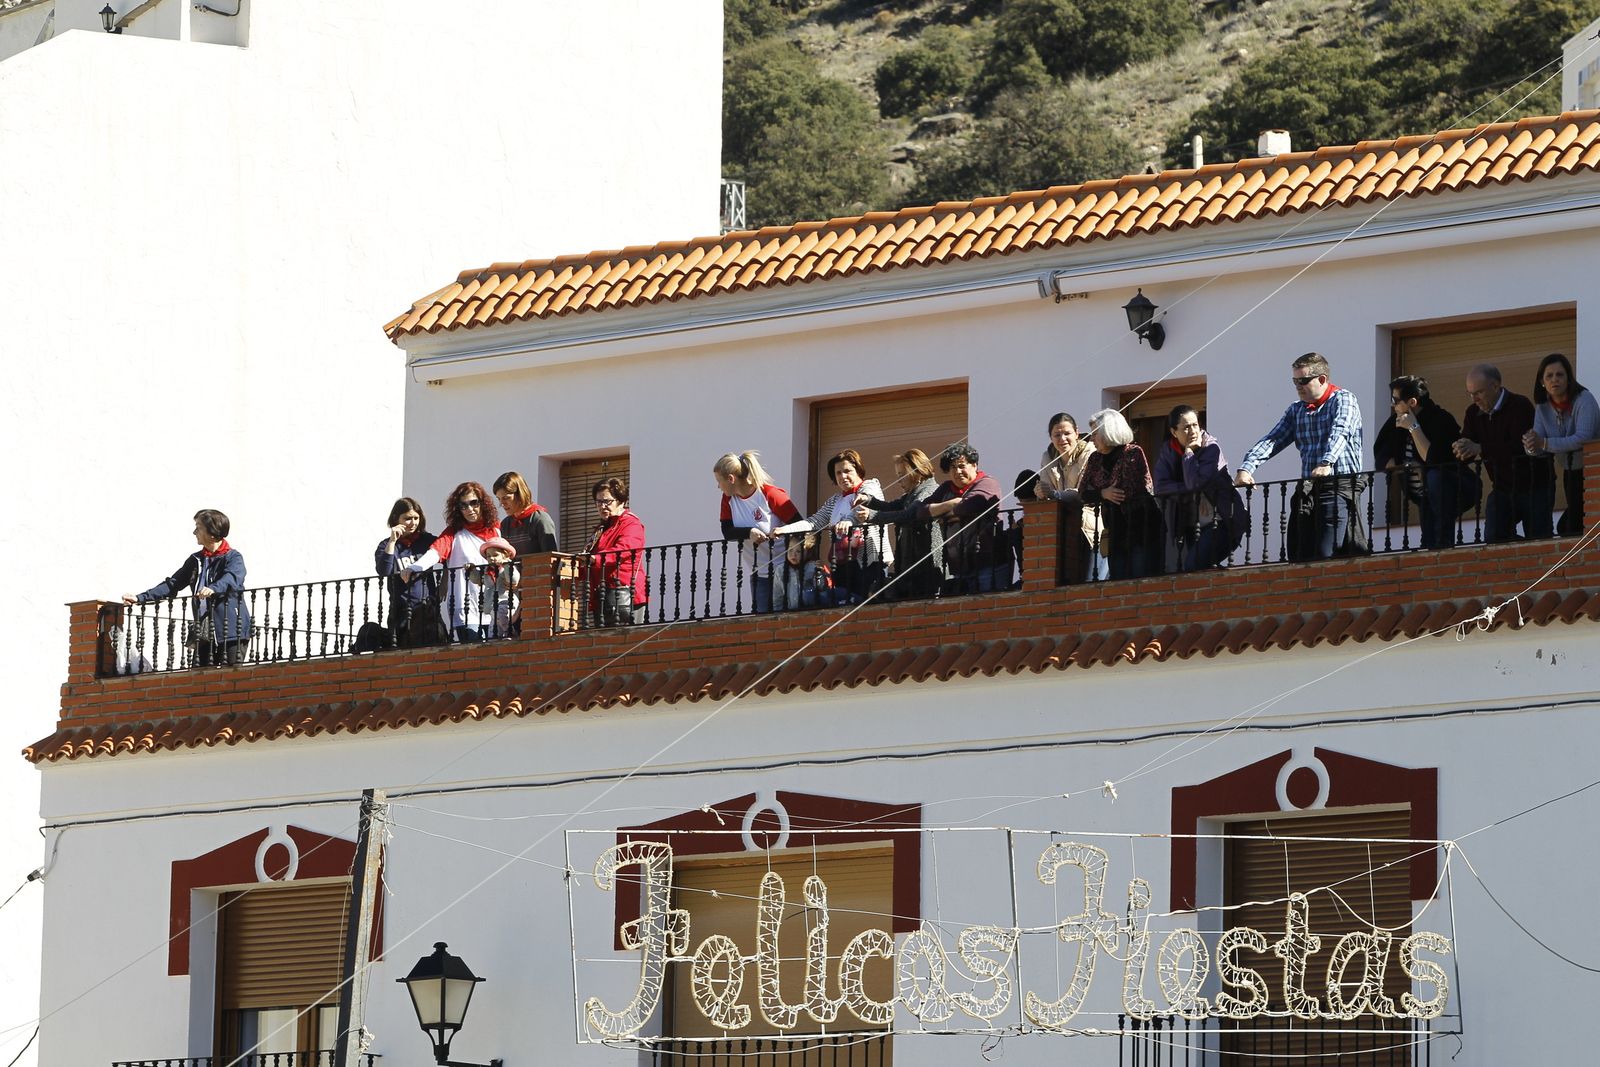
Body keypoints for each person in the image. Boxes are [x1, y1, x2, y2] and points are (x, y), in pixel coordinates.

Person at [1236, 352, 1366, 560]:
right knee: (1300, 553)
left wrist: (1327, 462)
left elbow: (1341, 430)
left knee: (1326, 553)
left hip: (1337, 486)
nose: (1298, 386)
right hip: (1309, 488)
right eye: (1295, 381)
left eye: (1303, 380)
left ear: (1322, 379)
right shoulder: (1297, 410)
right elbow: (1273, 439)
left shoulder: (1344, 399)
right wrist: (1246, 467)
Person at [123, 509, 251, 667]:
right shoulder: (196, 559)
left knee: (232, 681)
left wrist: (213, 588)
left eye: (199, 527)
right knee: (199, 680)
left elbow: (232, 578)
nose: (194, 532)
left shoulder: (233, 557)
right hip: (205, 632)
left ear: (212, 532)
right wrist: (139, 598)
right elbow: (173, 584)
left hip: (232, 631)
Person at [774, 448, 892, 604]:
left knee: (866, 604)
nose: (843, 476)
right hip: (842, 564)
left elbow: (861, 508)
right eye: (838, 473)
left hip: (869, 561)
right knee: (843, 605)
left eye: (847, 471)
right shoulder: (834, 501)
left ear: (858, 470)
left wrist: (849, 522)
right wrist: (785, 529)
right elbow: (814, 521)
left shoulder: (870, 486)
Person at [1453, 363, 1551, 543]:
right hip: (1502, 488)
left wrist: (1481, 448)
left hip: (1534, 485)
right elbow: (1469, 444)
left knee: (1539, 540)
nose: (1474, 399)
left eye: (1479, 393)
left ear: (1496, 386)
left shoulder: (1519, 405)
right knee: (1494, 537)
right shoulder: (1473, 412)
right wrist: (1461, 448)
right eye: (1470, 394)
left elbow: (1519, 446)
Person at [1372, 375, 1468, 549]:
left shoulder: (1441, 420)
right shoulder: (1394, 422)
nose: (1392, 405)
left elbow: (1432, 458)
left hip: (1450, 491)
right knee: (1428, 543)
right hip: (1422, 496)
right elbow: (1381, 456)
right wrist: (1407, 467)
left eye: (1396, 400)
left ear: (1412, 402)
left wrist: (1413, 427)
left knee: (1441, 541)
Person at [403, 481, 502, 641]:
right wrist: (414, 567)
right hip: (465, 608)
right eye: (463, 505)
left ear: (482, 503)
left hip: (494, 606)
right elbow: (436, 552)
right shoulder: (454, 533)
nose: (469, 509)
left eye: (473, 503)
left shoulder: (495, 530)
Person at [1153, 405, 1245, 570]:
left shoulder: (1211, 448)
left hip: (1221, 521)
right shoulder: (1168, 450)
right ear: (1174, 432)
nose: (1193, 431)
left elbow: (1196, 484)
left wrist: (1188, 454)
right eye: (1186, 427)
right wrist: (1191, 494)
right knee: (1200, 572)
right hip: (1191, 523)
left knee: (1193, 566)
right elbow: (1160, 487)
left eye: (1195, 425)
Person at [714, 451, 802, 613]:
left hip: (785, 570)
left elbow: (801, 526)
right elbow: (727, 532)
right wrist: (750, 532)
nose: (718, 486)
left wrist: (782, 533)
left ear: (731, 479)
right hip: (759, 574)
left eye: (719, 481)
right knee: (762, 624)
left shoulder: (770, 494)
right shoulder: (728, 499)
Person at [1080, 409, 1165, 580]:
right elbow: (1083, 493)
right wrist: (1103, 493)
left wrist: (1102, 492)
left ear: (1109, 431)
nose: (1091, 439)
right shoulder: (1095, 458)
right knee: (1118, 583)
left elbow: (1125, 490)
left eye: (1095, 433)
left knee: (1141, 581)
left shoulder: (1133, 452)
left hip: (1141, 528)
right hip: (1115, 530)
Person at [1523, 353, 1598, 536]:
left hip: (1594, 470)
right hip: (1570, 471)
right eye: (1549, 376)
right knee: (1571, 527)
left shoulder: (1584, 399)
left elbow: (1583, 438)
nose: (1554, 379)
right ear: (1542, 381)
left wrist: (1543, 443)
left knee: (1571, 526)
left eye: (1560, 374)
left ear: (1568, 378)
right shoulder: (1542, 407)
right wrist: (1530, 444)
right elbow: (1538, 445)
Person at [854, 448, 944, 600]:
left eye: (902, 476)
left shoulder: (929, 492)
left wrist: (872, 515)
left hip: (926, 567)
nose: (898, 481)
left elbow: (908, 515)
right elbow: (890, 506)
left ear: (917, 472)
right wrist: (868, 500)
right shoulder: (912, 494)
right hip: (912, 567)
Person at [913, 443, 1003, 593]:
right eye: (953, 467)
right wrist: (952, 503)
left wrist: (943, 514)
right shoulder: (947, 488)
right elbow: (921, 512)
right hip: (959, 566)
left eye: (962, 466)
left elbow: (969, 506)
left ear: (974, 465)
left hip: (988, 563)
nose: (958, 471)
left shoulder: (988, 483)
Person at [1032, 411, 1107, 580]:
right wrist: (1041, 492)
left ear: (1077, 432)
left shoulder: (1090, 453)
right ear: (1050, 437)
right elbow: (1046, 491)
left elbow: (1083, 492)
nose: (1062, 439)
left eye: (1067, 433)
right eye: (1057, 435)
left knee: (1091, 582)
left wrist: (1054, 493)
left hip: (1090, 528)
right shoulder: (1048, 457)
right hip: (1061, 528)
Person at [372, 496, 441, 649]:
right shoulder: (386, 544)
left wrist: (445, 583)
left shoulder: (427, 541)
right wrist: (392, 541)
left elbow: (446, 552)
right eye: (408, 518)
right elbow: (384, 571)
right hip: (400, 610)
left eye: (416, 518)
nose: (413, 522)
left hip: (426, 609)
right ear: (397, 518)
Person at [582, 476, 648, 626]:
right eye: (599, 502)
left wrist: (595, 559)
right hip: (604, 596)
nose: (602, 506)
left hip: (624, 595)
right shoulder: (603, 528)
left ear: (621, 501)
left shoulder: (631, 524)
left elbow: (624, 549)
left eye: (607, 501)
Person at [493, 471, 558, 557]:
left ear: (520, 494)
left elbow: (551, 558)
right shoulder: (505, 524)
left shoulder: (540, 519)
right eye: (499, 499)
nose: (501, 503)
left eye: (506, 498)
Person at [477, 536, 521, 637]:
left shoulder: (509, 567)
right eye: (488, 556)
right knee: (493, 628)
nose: (491, 558)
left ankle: (509, 632)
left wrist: (506, 566)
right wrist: (470, 571)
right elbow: (478, 579)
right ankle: (494, 641)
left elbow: (513, 580)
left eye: (495, 555)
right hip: (492, 604)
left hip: (506, 602)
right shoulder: (487, 571)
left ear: (506, 555)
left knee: (501, 615)